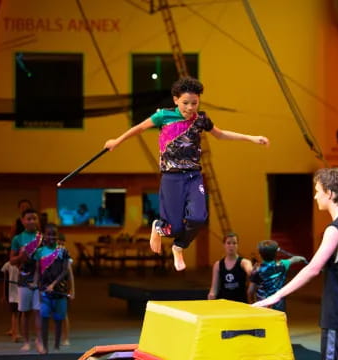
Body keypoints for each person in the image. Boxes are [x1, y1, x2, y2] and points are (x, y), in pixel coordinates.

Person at [104, 76, 269, 271]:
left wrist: (251, 138)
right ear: (175, 100)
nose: (190, 108)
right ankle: (159, 227)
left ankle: (179, 246)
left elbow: (221, 134)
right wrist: (117, 141)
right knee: (173, 228)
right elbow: (139, 128)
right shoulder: (163, 116)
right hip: (171, 177)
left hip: (193, 176)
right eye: (185, 103)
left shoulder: (201, 120)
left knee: (199, 217)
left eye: (194, 103)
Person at [253, 168, 338, 360]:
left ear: (329, 193)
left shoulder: (335, 230)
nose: (315, 196)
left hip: (337, 320)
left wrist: (274, 297)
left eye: (318, 191)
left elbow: (313, 269)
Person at [10, 208, 44, 353]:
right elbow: (11, 260)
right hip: (24, 279)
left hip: (40, 280)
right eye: (28, 219)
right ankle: (26, 341)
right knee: (25, 312)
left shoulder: (43, 238)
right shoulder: (17, 239)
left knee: (38, 311)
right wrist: (21, 257)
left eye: (34, 218)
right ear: (23, 221)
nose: (31, 221)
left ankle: (39, 341)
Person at [34, 223, 72, 353]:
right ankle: (45, 346)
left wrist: (53, 285)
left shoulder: (63, 251)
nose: (51, 237)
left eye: (54, 234)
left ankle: (56, 346)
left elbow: (65, 271)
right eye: (49, 234)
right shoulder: (39, 252)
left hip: (60, 292)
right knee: (44, 318)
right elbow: (38, 271)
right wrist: (35, 283)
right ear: (44, 235)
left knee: (58, 319)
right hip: (44, 292)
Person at [247, 240, 306, 310]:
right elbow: (295, 259)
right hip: (279, 306)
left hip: (263, 307)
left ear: (260, 255)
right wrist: (302, 258)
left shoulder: (257, 270)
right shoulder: (283, 265)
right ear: (276, 254)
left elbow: (250, 291)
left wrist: (252, 304)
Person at [208, 232, 252, 303]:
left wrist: (252, 272)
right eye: (228, 243)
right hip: (224, 303)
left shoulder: (244, 262)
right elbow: (214, 289)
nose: (231, 246)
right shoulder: (218, 265)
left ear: (238, 245)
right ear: (224, 245)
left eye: (234, 243)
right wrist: (211, 297)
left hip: (240, 303)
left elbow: (250, 271)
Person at [57, 232, 75, 346]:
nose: (60, 246)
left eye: (62, 244)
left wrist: (72, 290)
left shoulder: (67, 258)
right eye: (58, 243)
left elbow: (70, 276)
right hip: (52, 289)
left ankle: (66, 337)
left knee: (64, 314)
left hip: (63, 289)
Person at [0, 260, 22, 342]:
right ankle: (15, 332)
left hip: (21, 290)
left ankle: (14, 330)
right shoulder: (8, 264)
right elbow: (5, 280)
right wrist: (4, 294)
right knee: (15, 312)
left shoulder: (23, 263)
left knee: (18, 312)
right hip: (12, 292)